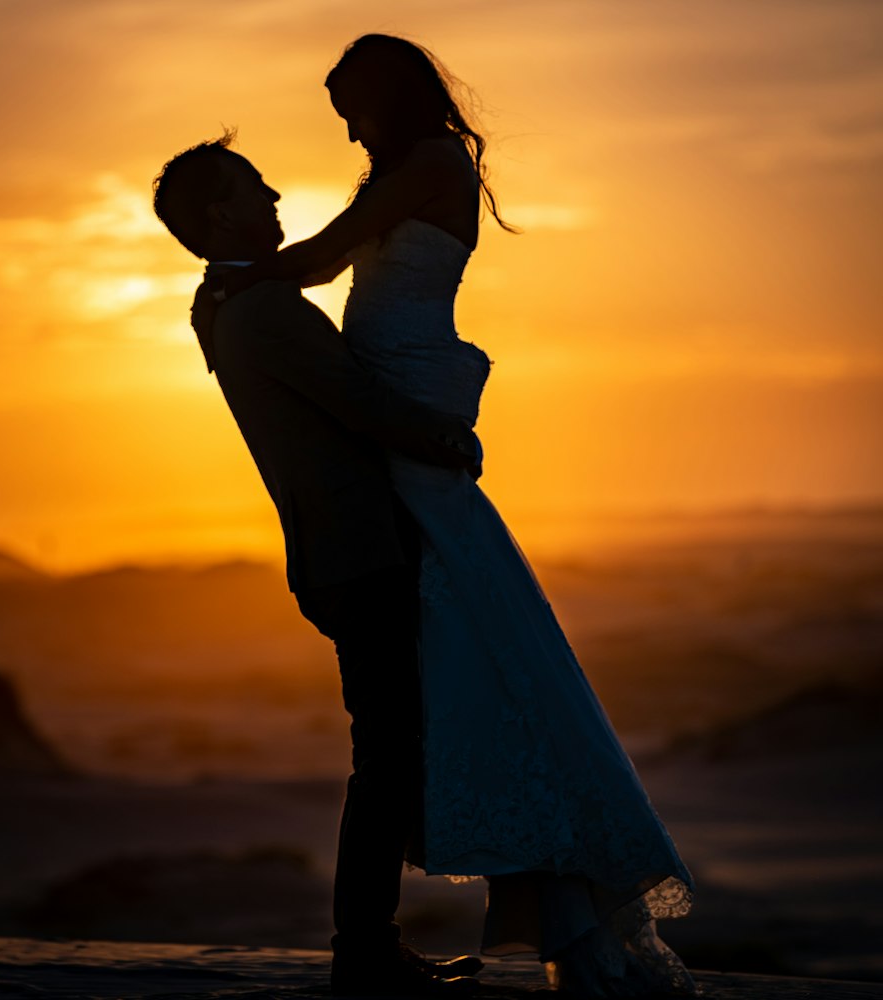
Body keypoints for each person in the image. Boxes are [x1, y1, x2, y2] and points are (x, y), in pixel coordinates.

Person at [193, 34, 698, 998]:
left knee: (461, 665)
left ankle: (402, 935)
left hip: (409, 408)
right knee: (459, 667)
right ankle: (438, 921)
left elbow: (327, 257)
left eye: (352, 108)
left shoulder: (427, 166)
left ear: (390, 97)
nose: (346, 130)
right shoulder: (399, 174)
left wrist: (232, 280)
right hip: (392, 416)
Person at [152, 136, 483, 996]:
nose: (272, 197)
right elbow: (357, 399)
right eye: (253, 188)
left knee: (390, 747)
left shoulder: (227, 300)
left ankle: (370, 946)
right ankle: (365, 951)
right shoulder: (259, 311)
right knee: (385, 754)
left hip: (340, 552)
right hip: (355, 551)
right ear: (221, 212)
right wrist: (448, 438)